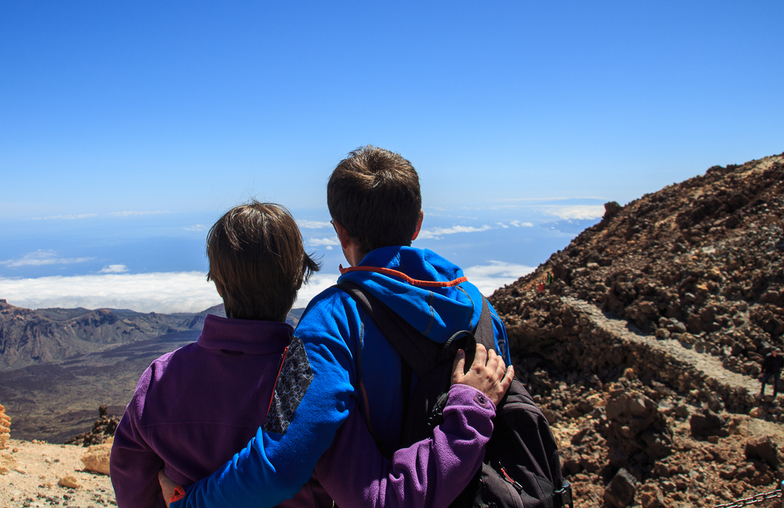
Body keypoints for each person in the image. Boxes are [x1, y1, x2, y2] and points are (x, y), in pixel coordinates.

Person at [111, 200, 513, 508]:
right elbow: (365, 486)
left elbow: (131, 475)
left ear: (217, 282)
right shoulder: (316, 377)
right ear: (298, 279)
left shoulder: (160, 378)